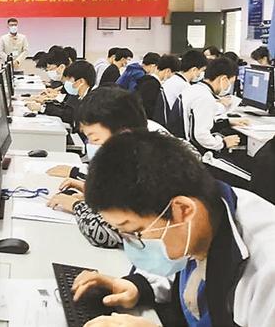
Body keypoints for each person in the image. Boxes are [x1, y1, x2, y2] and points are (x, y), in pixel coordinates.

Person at [75, 131, 275, 327]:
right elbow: (180, 264)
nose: (132, 242)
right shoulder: (202, 208)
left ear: (183, 209)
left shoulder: (267, 268)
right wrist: (137, 286)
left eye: (135, 231)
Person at [46, 87, 168, 249]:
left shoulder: (150, 161)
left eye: (95, 139)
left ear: (123, 133)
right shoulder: (142, 142)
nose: (92, 145)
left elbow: (105, 232)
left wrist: (76, 206)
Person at [180, 57, 248, 155]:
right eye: (230, 83)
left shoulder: (194, 89)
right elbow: (201, 136)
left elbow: (197, 122)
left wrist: (227, 122)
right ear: (223, 79)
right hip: (191, 153)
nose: (228, 87)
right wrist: (223, 143)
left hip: (181, 146)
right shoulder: (205, 98)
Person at [28, 61, 96, 129]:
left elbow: (69, 116)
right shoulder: (80, 95)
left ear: (81, 81)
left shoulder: (94, 99)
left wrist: (42, 108)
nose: (67, 83)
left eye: (69, 80)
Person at [136, 54, 180, 123]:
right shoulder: (152, 85)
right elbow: (148, 109)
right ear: (168, 71)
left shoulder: (147, 81)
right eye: (174, 73)